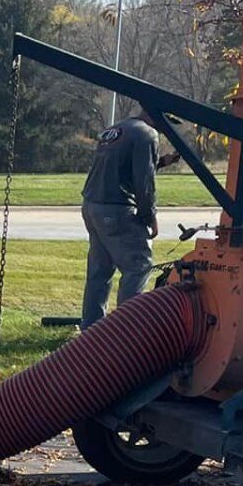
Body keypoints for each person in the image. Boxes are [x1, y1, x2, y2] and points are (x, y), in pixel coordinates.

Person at [79, 112, 163, 327]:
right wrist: (149, 215)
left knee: (100, 270)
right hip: (117, 208)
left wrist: (161, 162)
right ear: (156, 115)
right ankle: (125, 332)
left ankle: (92, 328)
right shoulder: (147, 134)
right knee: (138, 267)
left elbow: (118, 167)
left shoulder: (117, 130)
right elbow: (144, 180)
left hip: (92, 205)